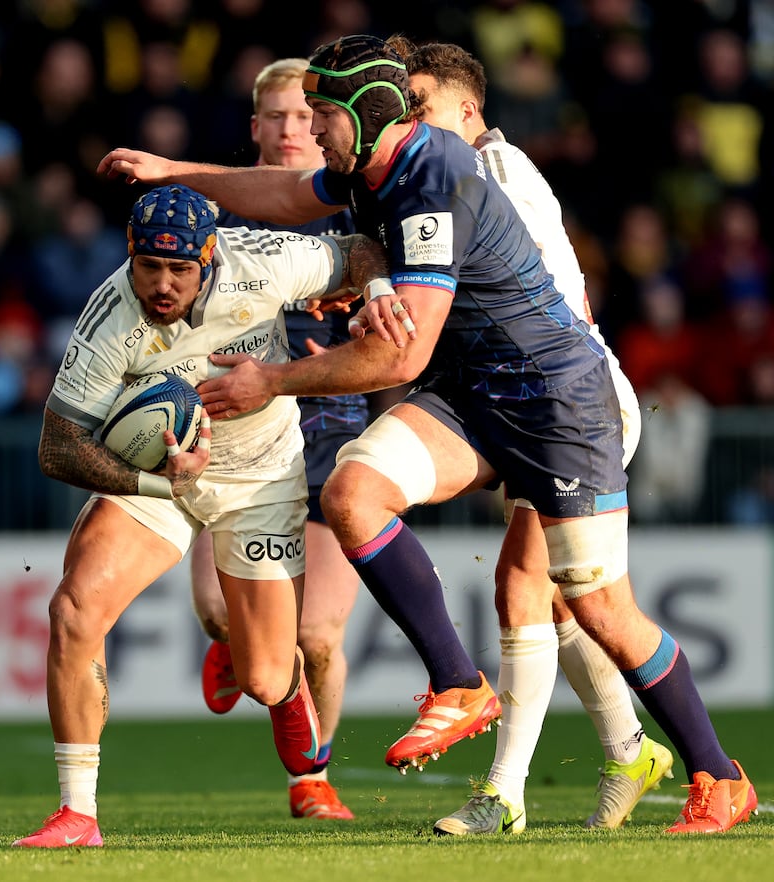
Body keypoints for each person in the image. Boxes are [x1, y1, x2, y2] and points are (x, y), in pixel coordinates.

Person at [97, 34, 757, 835]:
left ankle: (718, 776)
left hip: (553, 401)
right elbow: (286, 195)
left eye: (322, 115)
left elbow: (399, 353)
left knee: (599, 607)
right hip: (473, 391)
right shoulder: (367, 167)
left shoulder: (438, 172)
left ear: (365, 115)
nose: (313, 130)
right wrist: (175, 172)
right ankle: (459, 682)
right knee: (354, 491)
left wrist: (271, 379)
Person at [12, 182, 397, 848]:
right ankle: (78, 814)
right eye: (148, 267)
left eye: (179, 269)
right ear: (130, 254)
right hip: (161, 476)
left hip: (261, 479)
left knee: (265, 674)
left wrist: (376, 295)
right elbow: (58, 446)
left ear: (210, 255)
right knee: (73, 612)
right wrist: (156, 482)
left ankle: (284, 689)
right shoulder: (110, 317)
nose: (161, 285)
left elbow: (360, 250)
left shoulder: (264, 260)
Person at [398, 39, 673, 834]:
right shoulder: (455, 178)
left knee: (524, 585)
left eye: (423, 108)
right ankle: (630, 748)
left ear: (468, 112)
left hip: (573, 401)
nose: (413, 124)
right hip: (530, 403)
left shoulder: (494, 175)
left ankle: (506, 795)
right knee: (559, 603)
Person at [192, 57, 362, 821]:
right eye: (278, 117)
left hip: (330, 431)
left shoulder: (359, 208)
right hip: (234, 430)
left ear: (325, 122)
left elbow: (409, 320)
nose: (295, 129)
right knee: (223, 615)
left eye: (306, 115)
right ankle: (233, 641)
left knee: (318, 635)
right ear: (254, 127)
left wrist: (359, 351)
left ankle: (311, 780)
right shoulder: (216, 212)